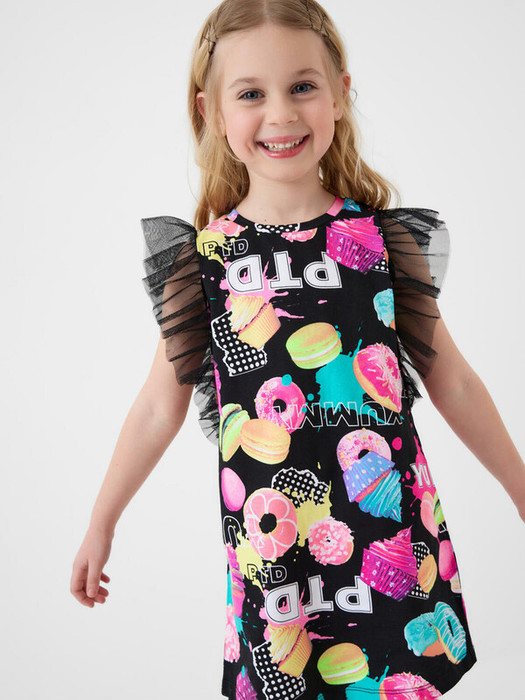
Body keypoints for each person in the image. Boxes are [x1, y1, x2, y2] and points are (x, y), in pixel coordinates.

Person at [71, 1, 525, 698]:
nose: (280, 114)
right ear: (212, 113)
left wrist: (520, 490)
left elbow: (452, 381)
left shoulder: (381, 244)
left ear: (340, 94)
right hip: (275, 556)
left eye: (302, 86)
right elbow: (159, 407)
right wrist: (101, 522)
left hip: (389, 538)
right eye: (251, 94)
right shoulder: (203, 264)